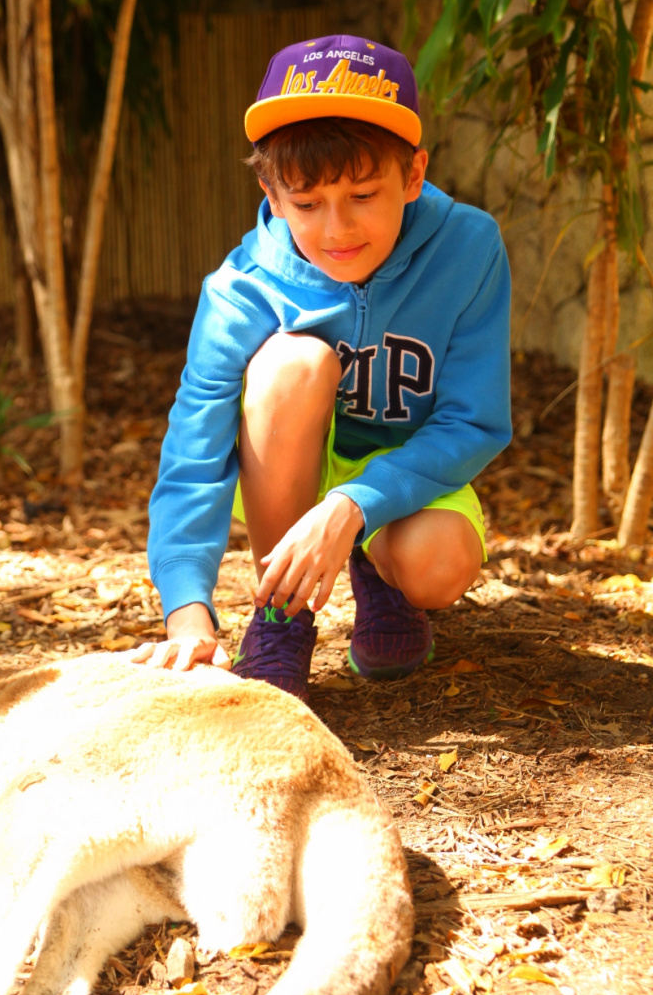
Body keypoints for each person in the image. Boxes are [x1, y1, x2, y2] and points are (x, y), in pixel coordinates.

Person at [133, 34, 512, 702]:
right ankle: (282, 615)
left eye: (365, 194)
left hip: (408, 474)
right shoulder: (240, 285)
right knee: (294, 361)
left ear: (414, 174)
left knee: (441, 564)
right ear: (272, 194)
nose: (337, 229)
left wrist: (353, 508)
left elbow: (473, 419)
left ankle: (383, 575)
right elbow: (195, 449)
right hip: (287, 470)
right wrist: (187, 606)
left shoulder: (469, 247)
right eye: (308, 205)